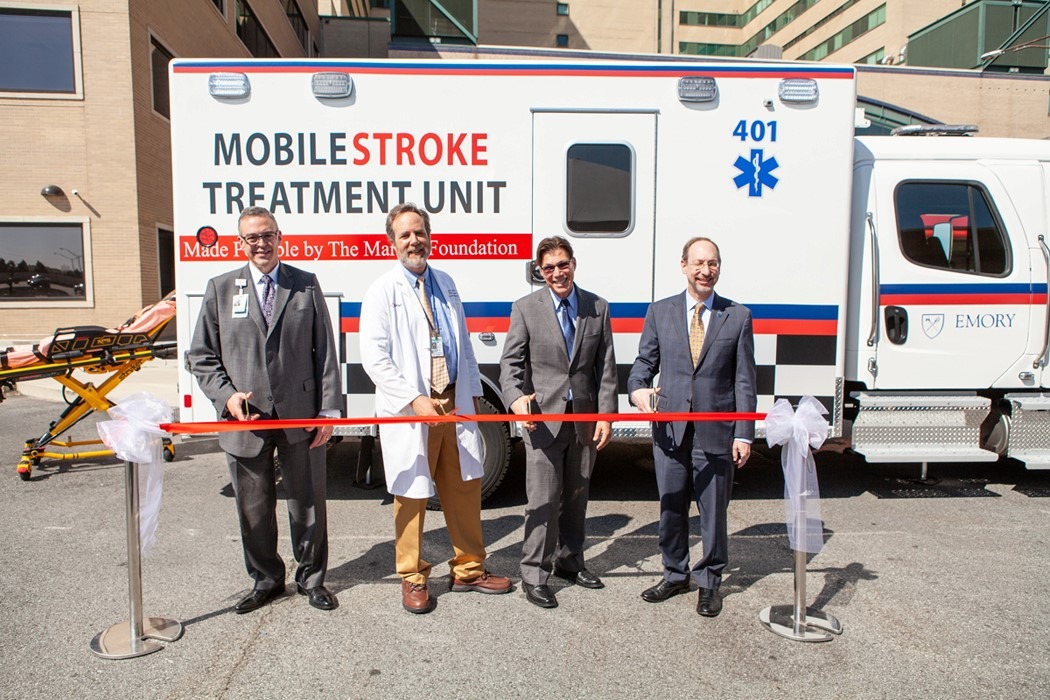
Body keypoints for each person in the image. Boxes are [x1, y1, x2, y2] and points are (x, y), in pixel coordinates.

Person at [359, 203, 512, 614]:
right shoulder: (382, 291)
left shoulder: (445, 282)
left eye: (420, 232)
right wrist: (414, 399)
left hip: (454, 401)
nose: (414, 240)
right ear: (392, 242)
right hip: (413, 408)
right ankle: (412, 576)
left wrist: (474, 395)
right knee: (411, 493)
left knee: (463, 487)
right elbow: (373, 358)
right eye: (405, 234)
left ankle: (469, 569)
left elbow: (462, 341)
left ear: (430, 236)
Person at [188, 206, 342, 613]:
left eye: (267, 235)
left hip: (301, 417)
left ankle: (312, 579)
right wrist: (226, 396)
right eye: (252, 237)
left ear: (279, 237)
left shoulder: (305, 285)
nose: (261, 243)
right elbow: (201, 356)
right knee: (253, 510)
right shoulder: (221, 289)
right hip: (246, 421)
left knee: (308, 504)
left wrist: (328, 410)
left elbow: (325, 352)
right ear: (241, 243)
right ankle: (266, 580)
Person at [627, 237, 757, 617]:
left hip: (716, 431)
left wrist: (744, 433)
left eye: (713, 263)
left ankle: (710, 582)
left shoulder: (739, 316)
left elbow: (745, 381)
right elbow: (643, 364)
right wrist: (636, 391)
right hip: (670, 429)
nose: (706, 270)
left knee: (713, 512)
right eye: (699, 263)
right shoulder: (660, 311)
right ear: (683, 265)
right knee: (671, 508)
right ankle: (674, 573)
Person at [500, 236, 617, 609]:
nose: (557, 273)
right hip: (543, 422)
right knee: (543, 501)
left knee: (577, 497)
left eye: (562, 264)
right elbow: (510, 365)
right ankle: (533, 573)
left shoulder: (597, 307)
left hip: (582, 420)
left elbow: (607, 368)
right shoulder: (525, 308)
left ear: (573, 263)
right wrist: (516, 398)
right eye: (548, 268)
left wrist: (606, 415)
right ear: (540, 272)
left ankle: (570, 561)